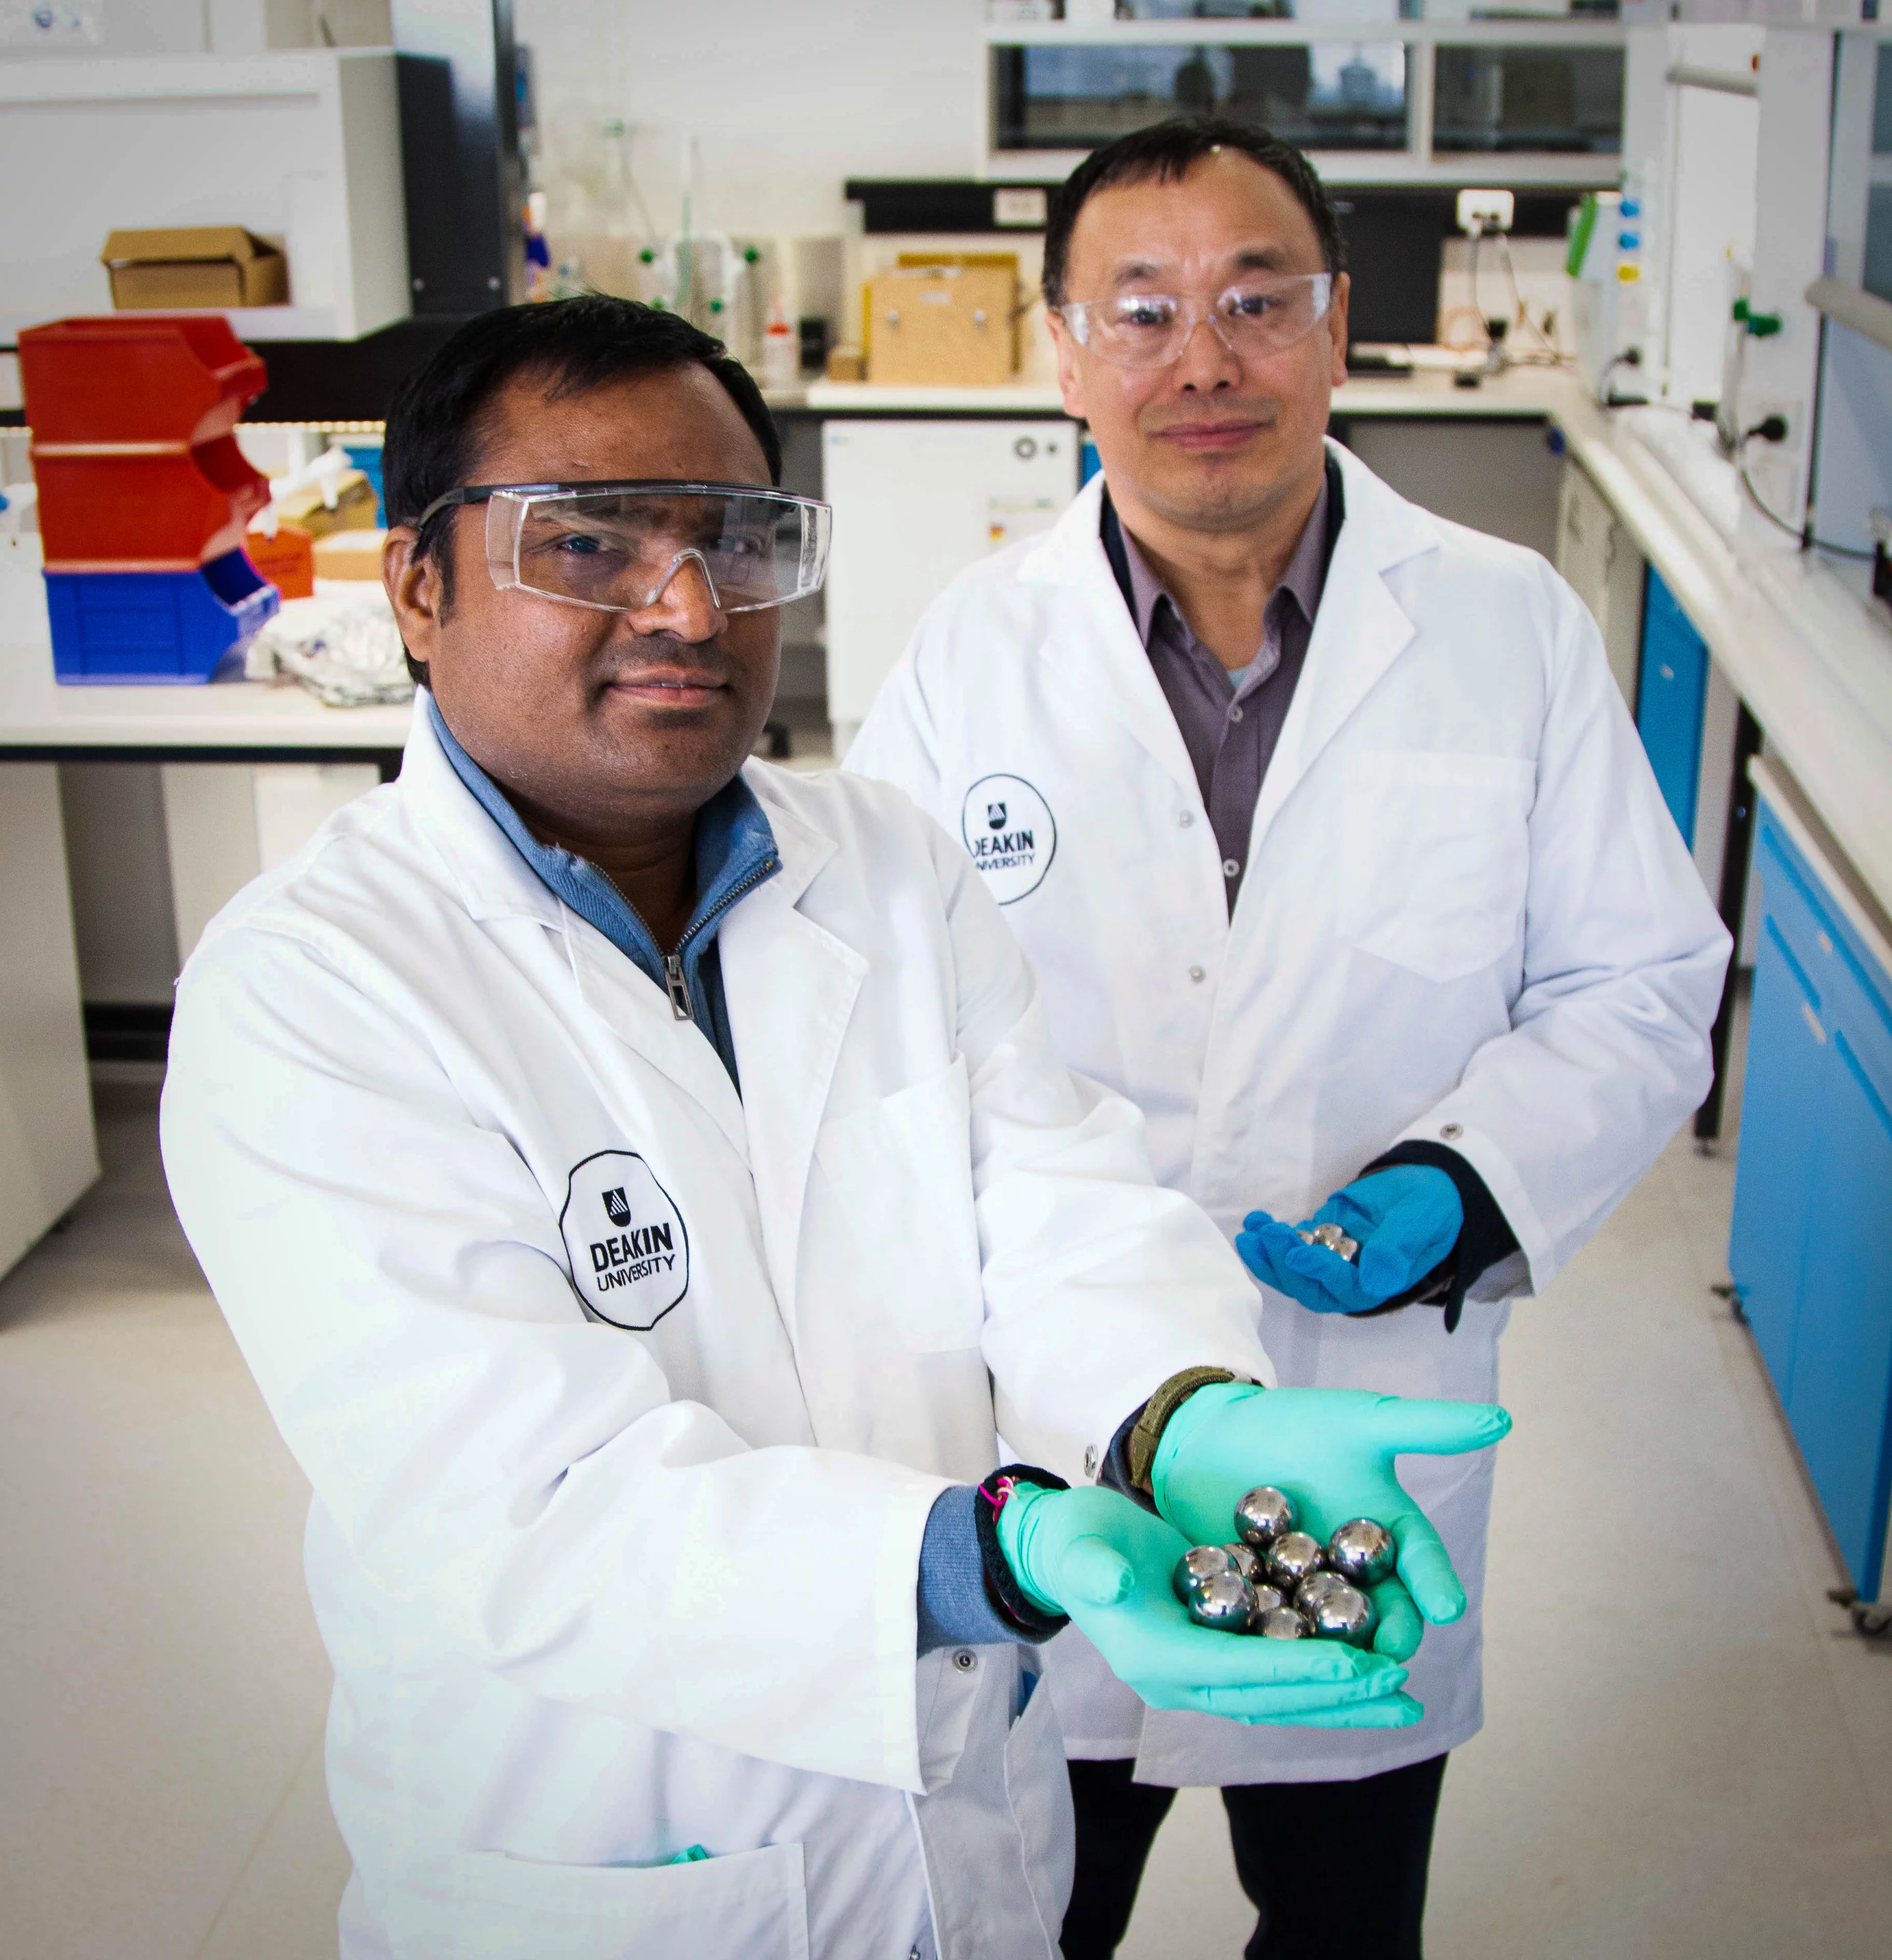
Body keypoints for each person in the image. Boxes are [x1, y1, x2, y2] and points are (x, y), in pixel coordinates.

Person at [157, 296, 1510, 1960]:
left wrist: (1179, 1416)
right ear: (420, 586)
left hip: (959, 1818)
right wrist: (978, 1553)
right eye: (585, 545)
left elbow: (1057, 1204)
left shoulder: (883, 862)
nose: (685, 606)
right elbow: (520, 1504)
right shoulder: (308, 994)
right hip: (603, 1862)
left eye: (733, 542)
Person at [846, 119, 1731, 1959]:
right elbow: (879, 1034)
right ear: (1066, 351)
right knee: (1032, 1904)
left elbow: (1639, 981)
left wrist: (1460, 1183)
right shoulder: (968, 657)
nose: (1204, 360)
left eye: (1256, 302)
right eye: (1144, 310)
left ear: (1338, 328)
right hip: (1065, 1430)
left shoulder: (1506, 630)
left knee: (1339, 1918)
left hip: (1359, 1404)